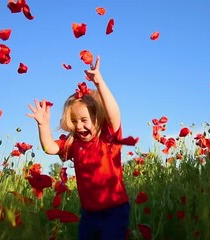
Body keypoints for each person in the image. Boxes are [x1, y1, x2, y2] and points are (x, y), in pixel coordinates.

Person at [27, 56, 136, 240]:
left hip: (114, 210)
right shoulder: (74, 144)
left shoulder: (109, 139)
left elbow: (114, 113)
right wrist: (43, 125)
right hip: (89, 214)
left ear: (98, 117)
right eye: (74, 121)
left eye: (84, 120)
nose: (79, 127)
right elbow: (50, 148)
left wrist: (99, 83)